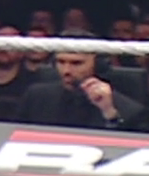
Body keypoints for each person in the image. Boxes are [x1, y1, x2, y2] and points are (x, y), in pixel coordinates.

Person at [17, 50, 147, 130]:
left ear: (97, 65)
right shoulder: (36, 96)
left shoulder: (128, 108)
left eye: (76, 63)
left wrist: (109, 112)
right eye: (61, 62)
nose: (66, 71)